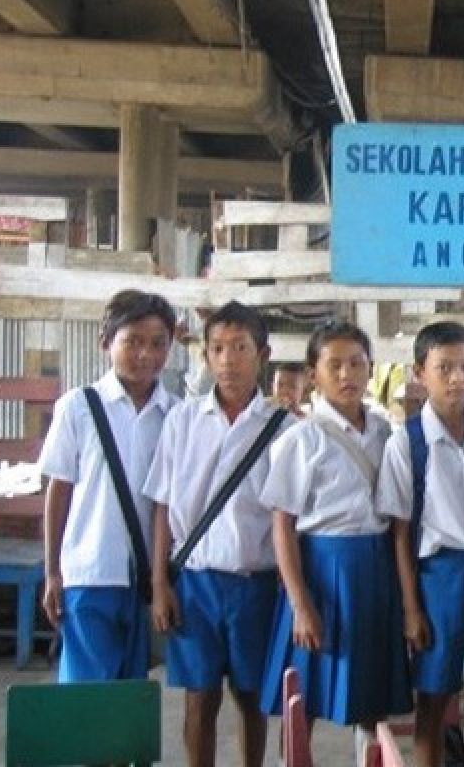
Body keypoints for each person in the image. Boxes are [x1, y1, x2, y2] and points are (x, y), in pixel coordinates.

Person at [145, 301, 292, 767]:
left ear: (262, 353)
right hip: (195, 582)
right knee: (199, 697)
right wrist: (160, 584)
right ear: (205, 357)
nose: (229, 360)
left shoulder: (283, 428)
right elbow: (163, 506)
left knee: (252, 697)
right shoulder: (182, 421)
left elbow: (288, 518)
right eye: (218, 348)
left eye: (241, 348)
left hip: (257, 583)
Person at [259, 322, 412, 751]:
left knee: (370, 692)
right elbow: (282, 525)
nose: (347, 375)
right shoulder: (300, 439)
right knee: (303, 693)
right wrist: (300, 603)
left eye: (357, 364)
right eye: (334, 365)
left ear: (371, 370)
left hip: (375, 569)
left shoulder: (385, 433)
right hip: (321, 570)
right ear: (313, 374)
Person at [379, 322, 464, 767]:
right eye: (444, 368)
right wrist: (411, 608)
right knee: (435, 697)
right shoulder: (408, 442)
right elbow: (400, 532)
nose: (457, 377)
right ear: (420, 372)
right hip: (439, 578)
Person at [39, 289, 177, 682]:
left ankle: (121, 749)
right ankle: (83, 748)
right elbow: (59, 490)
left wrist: (160, 580)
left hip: (147, 580)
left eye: (157, 344)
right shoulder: (77, 407)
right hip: (89, 572)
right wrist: (53, 572)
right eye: (131, 341)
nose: (145, 355)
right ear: (106, 343)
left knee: (130, 691)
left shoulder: (176, 414)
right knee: (87, 693)